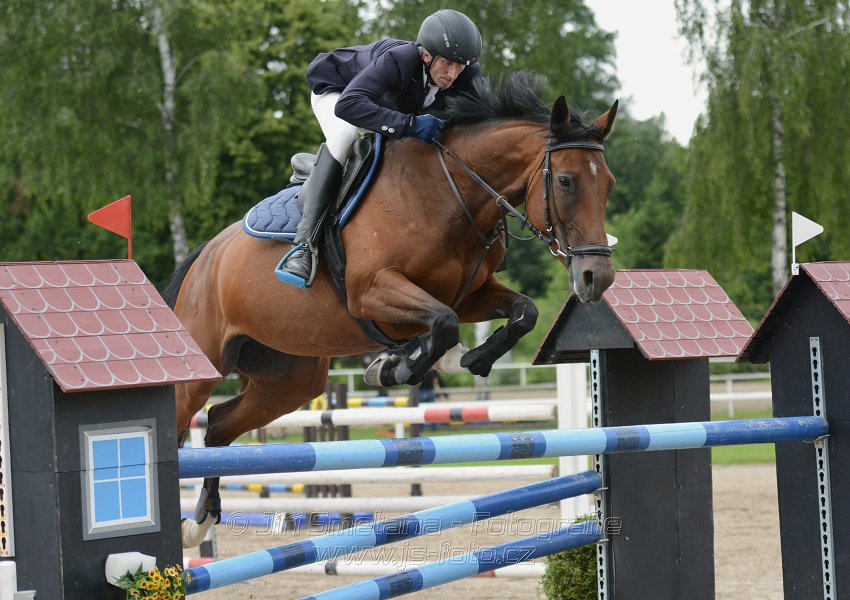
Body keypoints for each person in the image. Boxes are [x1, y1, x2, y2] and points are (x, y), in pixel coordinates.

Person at [276, 9, 485, 288]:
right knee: (344, 134)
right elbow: (348, 106)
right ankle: (303, 246)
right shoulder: (399, 60)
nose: (452, 74)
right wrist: (409, 124)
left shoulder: (466, 74)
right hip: (339, 92)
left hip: (379, 107)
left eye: (460, 66)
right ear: (426, 56)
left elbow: (483, 121)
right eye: (447, 63)